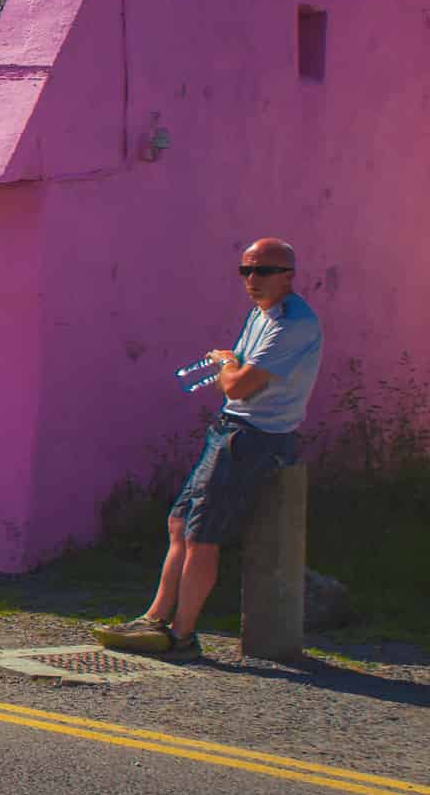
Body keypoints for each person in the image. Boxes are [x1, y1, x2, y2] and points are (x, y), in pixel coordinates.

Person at [100, 238, 323, 657]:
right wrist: (230, 365)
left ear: (289, 276)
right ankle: (154, 619)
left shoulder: (293, 324)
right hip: (231, 428)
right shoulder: (261, 314)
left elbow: (239, 385)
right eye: (246, 271)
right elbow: (238, 371)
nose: (253, 279)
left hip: (255, 436)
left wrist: (225, 364)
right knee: (181, 524)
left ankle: (182, 636)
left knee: (203, 535)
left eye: (265, 271)